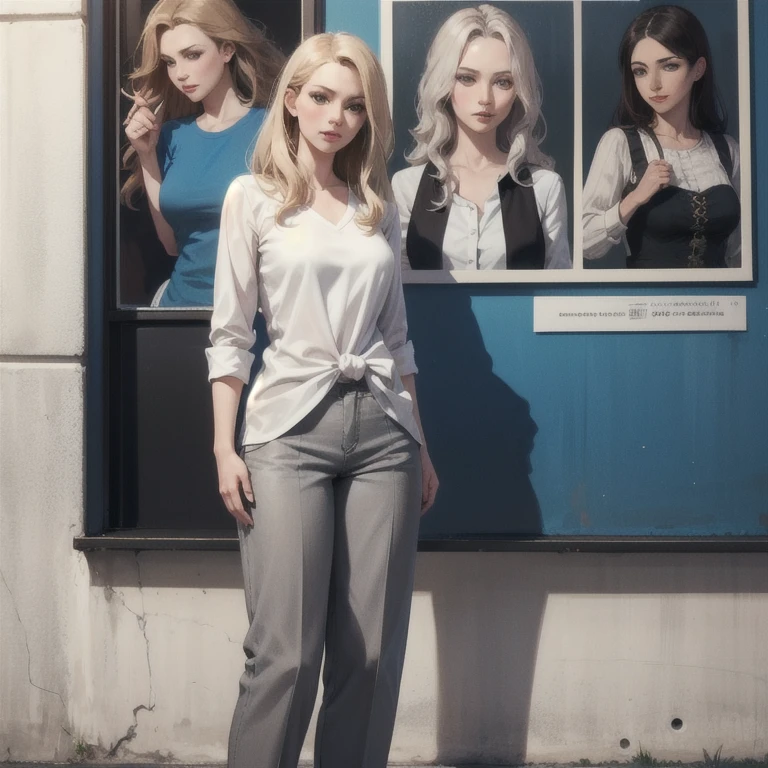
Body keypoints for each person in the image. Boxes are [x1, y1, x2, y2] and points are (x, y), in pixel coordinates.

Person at [206, 32, 439, 768]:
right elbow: (230, 335)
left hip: (384, 433)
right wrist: (224, 445)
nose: (337, 116)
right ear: (293, 101)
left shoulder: (376, 204)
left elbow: (397, 340)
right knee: (286, 654)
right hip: (286, 431)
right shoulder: (254, 197)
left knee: (369, 658)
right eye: (321, 97)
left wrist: (421, 444)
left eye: (354, 104)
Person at [121, 0, 283, 306]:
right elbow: (171, 244)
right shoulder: (171, 135)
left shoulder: (272, 129)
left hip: (253, 319)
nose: (180, 73)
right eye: (170, 62)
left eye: (192, 55)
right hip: (179, 310)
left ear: (227, 50)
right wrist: (147, 156)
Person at [392, 4, 571, 272]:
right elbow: (400, 293)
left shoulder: (545, 188)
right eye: (467, 78)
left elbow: (558, 294)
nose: (485, 98)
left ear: (519, 89)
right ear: (443, 82)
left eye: (502, 82)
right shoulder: (407, 188)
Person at [582, 4, 741, 268]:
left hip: (718, 306)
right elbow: (586, 243)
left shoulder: (727, 149)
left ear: (698, 69)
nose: (653, 83)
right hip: (649, 304)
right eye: (640, 71)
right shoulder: (620, 143)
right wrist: (634, 198)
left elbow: (740, 251)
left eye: (669, 66)